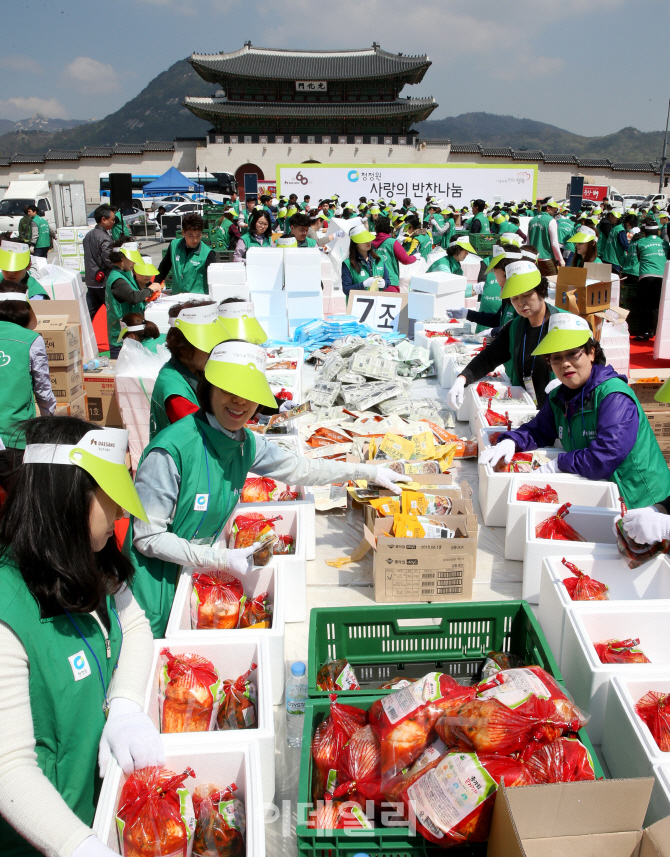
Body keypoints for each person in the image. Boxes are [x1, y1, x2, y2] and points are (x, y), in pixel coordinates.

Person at [129, 340, 411, 637]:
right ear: (208, 389)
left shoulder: (244, 443)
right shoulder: (171, 451)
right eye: (228, 390)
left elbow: (303, 469)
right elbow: (148, 537)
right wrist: (220, 559)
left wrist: (367, 471)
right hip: (155, 590)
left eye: (249, 394)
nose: (239, 402)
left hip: (195, 580)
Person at [0, 416, 164, 857]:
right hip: (50, 836)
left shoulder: (94, 561)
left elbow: (135, 627)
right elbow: (9, 768)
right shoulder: (7, 612)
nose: (121, 511)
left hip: (104, 807)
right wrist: (79, 847)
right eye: (109, 496)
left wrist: (126, 703)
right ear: (69, 498)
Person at [482, 313, 670, 508]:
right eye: (556, 358)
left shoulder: (614, 396)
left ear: (591, 353)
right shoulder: (558, 397)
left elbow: (605, 457)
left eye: (573, 353)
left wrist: (558, 464)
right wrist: (511, 441)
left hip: (644, 502)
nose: (565, 363)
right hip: (603, 494)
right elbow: (538, 430)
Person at [447, 260, 568, 412]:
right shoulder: (515, 327)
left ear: (541, 291)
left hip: (560, 410)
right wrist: (463, 378)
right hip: (527, 409)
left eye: (527, 295)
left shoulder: (565, 323)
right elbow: (489, 357)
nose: (521, 303)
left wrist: (567, 381)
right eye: (515, 298)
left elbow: (594, 362)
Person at [0, 283, 56, 490]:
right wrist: (49, 421)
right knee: (18, 498)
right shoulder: (30, 339)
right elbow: (42, 389)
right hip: (12, 435)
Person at [150, 300, 229, 439]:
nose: (212, 352)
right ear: (184, 348)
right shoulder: (174, 390)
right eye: (206, 345)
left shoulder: (194, 369)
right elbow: (201, 433)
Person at [106, 243, 161, 357]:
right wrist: (150, 289)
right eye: (131, 259)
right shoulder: (117, 279)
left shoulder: (125, 274)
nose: (133, 264)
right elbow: (132, 297)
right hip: (121, 338)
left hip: (132, 334)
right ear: (122, 258)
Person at [156, 213, 215, 295]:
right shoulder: (174, 246)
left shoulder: (208, 253)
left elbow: (215, 279)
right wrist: (155, 283)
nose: (195, 240)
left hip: (198, 301)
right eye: (190, 235)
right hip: (177, 298)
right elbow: (164, 267)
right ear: (183, 232)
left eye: (198, 235)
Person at [630, 218, 670, 340]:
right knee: (656, 306)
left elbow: (639, 258)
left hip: (646, 277)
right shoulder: (665, 244)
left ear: (645, 233)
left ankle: (644, 332)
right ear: (658, 232)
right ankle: (655, 331)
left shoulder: (640, 243)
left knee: (643, 305)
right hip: (662, 277)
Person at [83, 204, 115, 320]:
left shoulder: (88, 235)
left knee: (89, 314)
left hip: (91, 279)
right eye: (112, 219)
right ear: (104, 219)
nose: (113, 222)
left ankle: (86, 336)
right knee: (113, 311)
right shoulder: (104, 238)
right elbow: (109, 260)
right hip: (102, 280)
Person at [341, 223, 391, 297]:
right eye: (363, 240)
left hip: (378, 303)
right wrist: (363, 284)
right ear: (356, 243)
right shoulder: (348, 264)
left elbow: (387, 281)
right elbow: (346, 290)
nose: (368, 242)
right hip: (359, 305)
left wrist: (384, 283)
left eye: (368, 239)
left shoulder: (379, 259)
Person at [372, 216, 417, 287]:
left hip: (374, 282)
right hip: (390, 281)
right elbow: (405, 260)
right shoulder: (392, 242)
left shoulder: (370, 243)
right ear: (389, 228)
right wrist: (415, 257)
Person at [528, 198, 564, 276]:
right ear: (548, 208)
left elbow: (528, 241)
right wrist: (560, 259)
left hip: (534, 259)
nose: (555, 210)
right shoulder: (551, 221)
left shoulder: (532, 221)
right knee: (552, 283)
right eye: (554, 208)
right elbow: (554, 243)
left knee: (538, 284)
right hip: (547, 258)